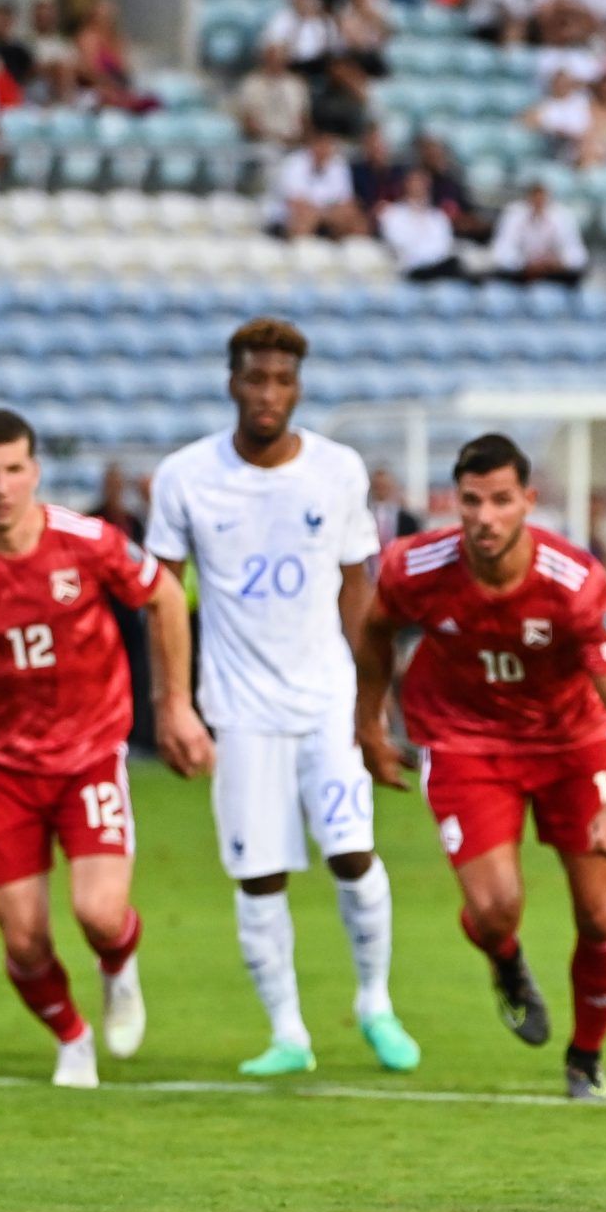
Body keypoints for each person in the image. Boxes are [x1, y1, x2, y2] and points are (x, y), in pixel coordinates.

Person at [0, 409, 213, 1088]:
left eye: (14, 469)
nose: (1, 486)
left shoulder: (87, 541)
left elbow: (167, 596)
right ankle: (72, 1036)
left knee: (99, 912)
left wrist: (175, 703)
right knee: (23, 938)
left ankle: (118, 966)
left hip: (89, 750)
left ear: (36, 471)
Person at [143, 319, 418, 1078]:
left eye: (282, 381)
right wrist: (173, 704)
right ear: (232, 381)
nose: (269, 393)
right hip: (237, 707)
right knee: (258, 871)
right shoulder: (184, 477)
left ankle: (374, 1002)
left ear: (298, 387)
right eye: (256, 378)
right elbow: (158, 591)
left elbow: (359, 585)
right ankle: (289, 1031)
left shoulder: (337, 470)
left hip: (325, 699)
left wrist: (370, 708)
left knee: (353, 853)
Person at [355, 433, 606, 1101]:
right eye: (470, 501)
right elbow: (375, 630)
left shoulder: (574, 585)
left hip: (571, 744)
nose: (484, 516)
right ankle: (507, 963)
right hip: (465, 741)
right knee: (494, 911)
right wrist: (367, 723)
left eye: (499, 500)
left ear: (528, 500)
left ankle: (585, 1059)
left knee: (601, 914)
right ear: (453, 502)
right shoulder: (415, 565)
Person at [489, 181, 589, 285]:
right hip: (520, 276)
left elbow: (578, 254)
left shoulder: (563, 216)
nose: (538, 202)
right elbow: (500, 252)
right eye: (535, 198)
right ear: (528, 198)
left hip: (554, 276)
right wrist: (524, 263)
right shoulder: (514, 214)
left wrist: (558, 262)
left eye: (542, 198)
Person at [375, 166, 465, 280]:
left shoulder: (438, 217)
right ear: (406, 184)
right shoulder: (391, 214)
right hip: (409, 269)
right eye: (415, 181)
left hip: (439, 268)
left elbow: (444, 246)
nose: (419, 186)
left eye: (423, 182)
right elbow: (398, 245)